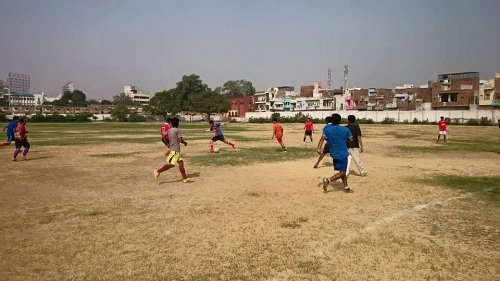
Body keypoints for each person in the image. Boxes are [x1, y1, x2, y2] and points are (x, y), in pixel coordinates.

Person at [317, 113, 354, 193]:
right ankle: (328, 180)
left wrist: (318, 148)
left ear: (332, 121)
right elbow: (351, 140)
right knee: (343, 172)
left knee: (342, 172)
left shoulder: (327, 129)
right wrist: (345, 141)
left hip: (333, 153)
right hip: (343, 153)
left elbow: (322, 139)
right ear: (339, 121)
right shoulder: (345, 129)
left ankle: (346, 188)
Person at [153, 117, 193, 183]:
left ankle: (185, 178)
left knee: (181, 163)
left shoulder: (169, 130)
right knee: (172, 164)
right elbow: (180, 140)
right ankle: (158, 171)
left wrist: (167, 144)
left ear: (171, 123)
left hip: (173, 149)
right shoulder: (178, 130)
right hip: (175, 150)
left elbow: (163, 137)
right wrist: (184, 142)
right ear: (178, 123)